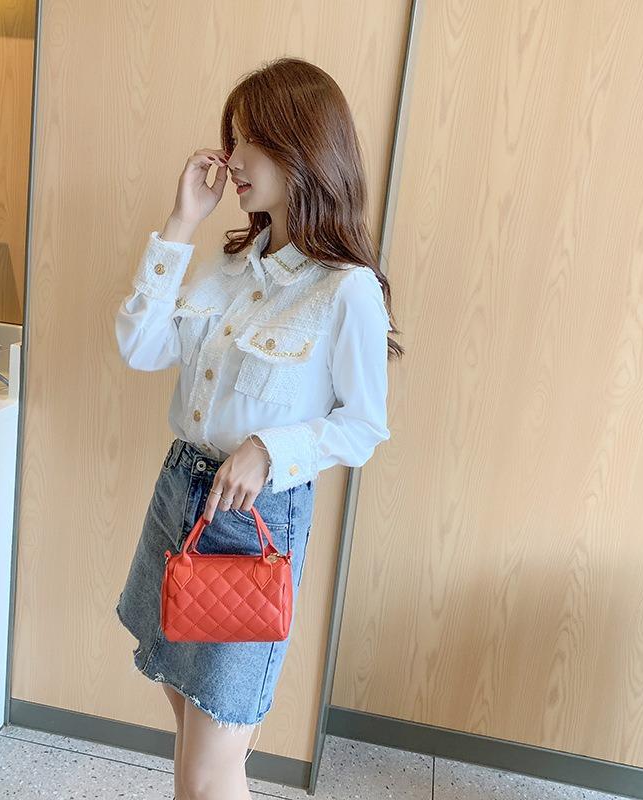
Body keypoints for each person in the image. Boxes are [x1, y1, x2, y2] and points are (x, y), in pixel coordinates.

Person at [114, 56, 403, 800]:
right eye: (232, 139)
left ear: (301, 149)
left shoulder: (347, 290)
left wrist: (271, 449)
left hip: (253, 525)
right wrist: (182, 222)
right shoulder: (231, 262)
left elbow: (363, 426)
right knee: (194, 734)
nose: (232, 159)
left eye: (249, 141)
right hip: (179, 499)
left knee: (207, 772)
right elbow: (141, 347)